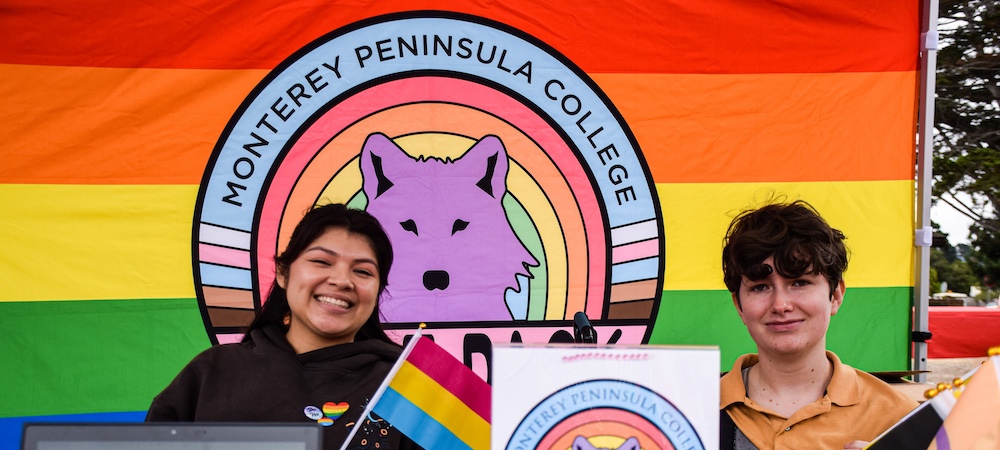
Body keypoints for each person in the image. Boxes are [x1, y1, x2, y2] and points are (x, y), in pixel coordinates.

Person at [147, 203, 420, 450]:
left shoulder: (406, 391)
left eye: (362, 271)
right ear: (283, 273)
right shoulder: (213, 372)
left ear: (377, 291)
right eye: (321, 262)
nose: (341, 280)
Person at [718, 200, 917, 450]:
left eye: (800, 282)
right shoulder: (689, 408)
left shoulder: (899, 418)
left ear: (835, 296)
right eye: (760, 287)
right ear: (739, 306)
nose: (781, 305)